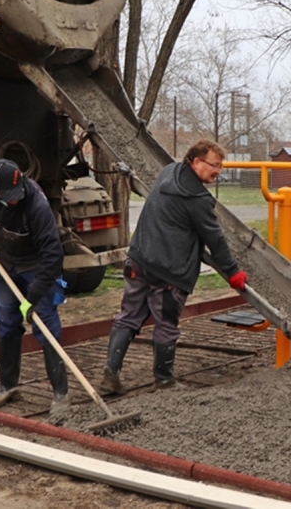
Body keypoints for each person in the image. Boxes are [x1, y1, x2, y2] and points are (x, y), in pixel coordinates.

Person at [100, 139, 248, 393]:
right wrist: (233, 272)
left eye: (221, 166)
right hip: (168, 271)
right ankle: (164, 380)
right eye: (215, 165)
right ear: (197, 162)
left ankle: (109, 378)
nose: (219, 171)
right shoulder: (198, 199)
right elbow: (215, 239)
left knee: (128, 316)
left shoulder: (168, 172)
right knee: (166, 324)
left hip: (139, 259)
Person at [0, 159, 69, 413]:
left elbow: (54, 256)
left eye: (18, 194)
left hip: (36, 265)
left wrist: (32, 297)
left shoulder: (36, 204)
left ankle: (60, 394)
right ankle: (8, 386)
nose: (16, 199)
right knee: (6, 319)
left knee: (44, 322)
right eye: (9, 196)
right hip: (5, 262)